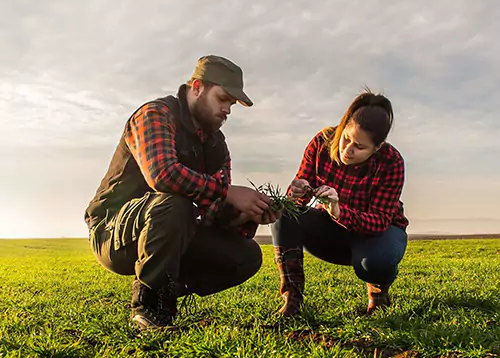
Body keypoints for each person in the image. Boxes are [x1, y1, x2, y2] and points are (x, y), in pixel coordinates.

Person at [85, 55, 279, 331]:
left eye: (232, 104)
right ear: (197, 87)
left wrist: (245, 215)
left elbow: (213, 214)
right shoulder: (155, 115)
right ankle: (149, 311)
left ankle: (167, 289)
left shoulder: (217, 145)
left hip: (176, 229)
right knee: (175, 202)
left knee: (246, 255)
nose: (227, 110)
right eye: (223, 99)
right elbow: (163, 175)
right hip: (114, 232)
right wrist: (227, 193)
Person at [271, 90, 409, 316]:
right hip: (331, 231)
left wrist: (338, 211)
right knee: (285, 216)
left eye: (360, 147)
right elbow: (299, 198)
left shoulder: (392, 162)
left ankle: (378, 293)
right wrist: (296, 192)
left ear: (377, 147)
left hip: (378, 234)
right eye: (346, 138)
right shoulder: (322, 142)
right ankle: (291, 299)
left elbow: (379, 221)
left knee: (374, 263)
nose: (347, 150)